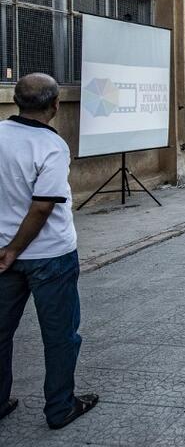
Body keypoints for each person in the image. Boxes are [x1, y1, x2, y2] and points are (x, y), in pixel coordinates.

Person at [0, 73, 98, 429]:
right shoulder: (52, 146)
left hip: (4, 256)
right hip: (49, 256)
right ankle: (60, 407)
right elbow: (42, 207)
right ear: (55, 105)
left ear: (16, 101)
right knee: (60, 336)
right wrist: (14, 249)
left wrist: (7, 248)